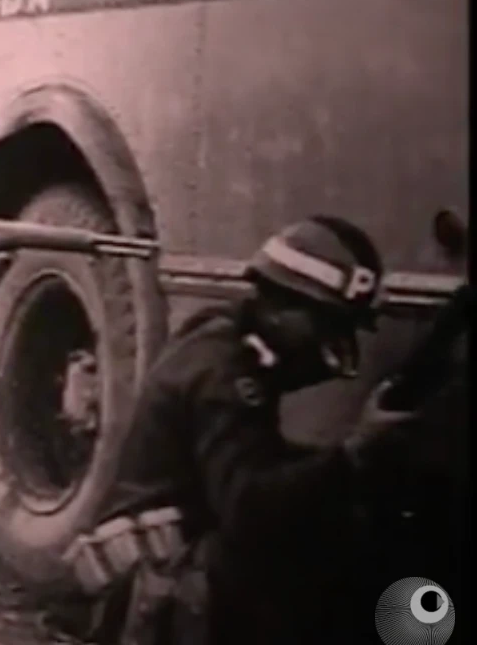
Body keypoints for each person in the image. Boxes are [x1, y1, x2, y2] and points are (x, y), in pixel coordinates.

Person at [71, 216, 421, 645]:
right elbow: (249, 509)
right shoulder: (227, 374)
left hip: (164, 563)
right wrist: (351, 454)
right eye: (327, 324)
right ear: (282, 306)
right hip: (157, 584)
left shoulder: (225, 334)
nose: (332, 341)